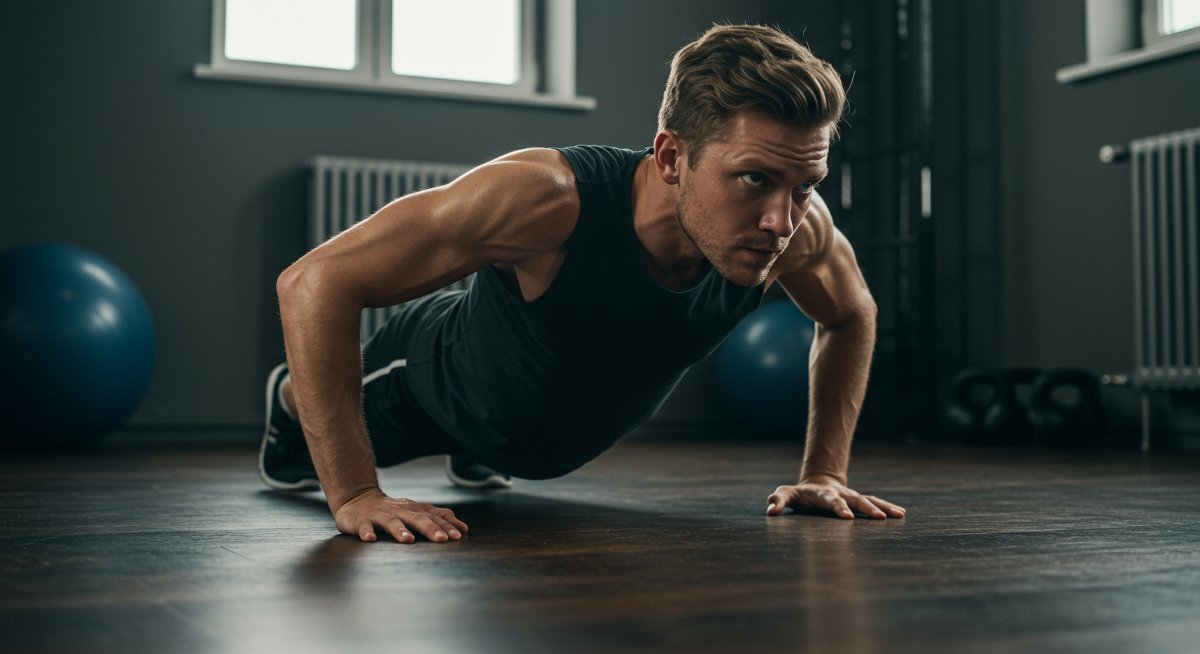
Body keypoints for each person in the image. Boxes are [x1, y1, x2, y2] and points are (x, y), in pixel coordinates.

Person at [262, 23, 907, 544]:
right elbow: (314, 282)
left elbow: (852, 313)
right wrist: (352, 493)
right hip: (434, 384)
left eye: (805, 186)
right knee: (304, 430)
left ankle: (484, 456)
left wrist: (825, 471)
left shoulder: (798, 231)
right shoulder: (545, 199)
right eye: (753, 179)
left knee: (520, 428)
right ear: (673, 157)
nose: (781, 220)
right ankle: (285, 402)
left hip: (534, 431)